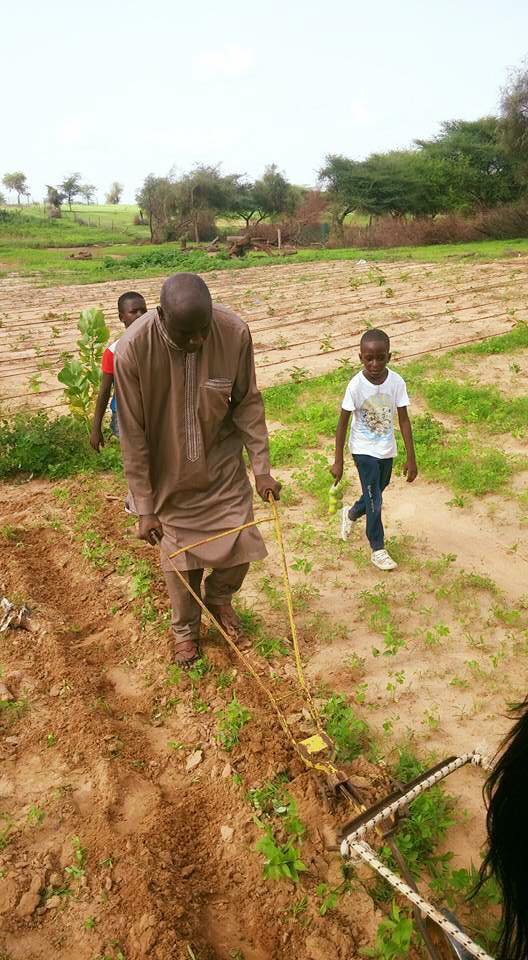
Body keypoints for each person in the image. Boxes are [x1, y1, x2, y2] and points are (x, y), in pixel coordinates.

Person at [114, 273, 281, 667]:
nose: (198, 342)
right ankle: (185, 632)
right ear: (160, 316)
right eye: (186, 334)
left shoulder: (234, 333)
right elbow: (133, 435)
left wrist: (261, 469)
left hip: (221, 465)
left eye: (202, 331)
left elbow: (248, 404)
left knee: (241, 543)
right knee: (181, 562)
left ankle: (219, 599)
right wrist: (145, 505)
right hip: (167, 472)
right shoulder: (133, 350)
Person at [330, 328, 417, 571]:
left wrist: (411, 457)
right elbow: (342, 423)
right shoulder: (356, 386)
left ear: (389, 356)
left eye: (381, 357)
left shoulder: (396, 382)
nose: (375, 363)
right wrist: (339, 460)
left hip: (386, 449)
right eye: (369, 358)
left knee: (377, 490)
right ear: (360, 358)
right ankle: (378, 548)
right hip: (363, 449)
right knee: (375, 500)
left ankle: (351, 513)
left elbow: (404, 420)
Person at [89, 291, 147, 451]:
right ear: (122, 317)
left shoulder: (156, 346)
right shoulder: (114, 352)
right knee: (137, 459)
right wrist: (96, 428)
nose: (140, 315)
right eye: (133, 311)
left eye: (143, 310)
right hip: (125, 416)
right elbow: (105, 390)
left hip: (153, 413)